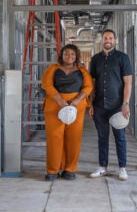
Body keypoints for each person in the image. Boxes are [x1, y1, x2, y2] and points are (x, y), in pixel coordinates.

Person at [41, 44, 93, 181]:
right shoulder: (53, 68)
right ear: (61, 55)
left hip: (76, 107)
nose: (69, 56)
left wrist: (76, 101)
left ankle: (70, 169)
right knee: (54, 138)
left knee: (74, 138)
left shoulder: (82, 71)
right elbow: (47, 84)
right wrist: (59, 100)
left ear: (76, 56)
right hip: (54, 106)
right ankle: (53, 170)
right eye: (66, 53)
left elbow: (88, 87)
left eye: (72, 54)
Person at [88, 29, 133, 181]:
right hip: (99, 105)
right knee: (102, 137)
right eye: (105, 38)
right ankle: (102, 167)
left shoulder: (123, 58)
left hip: (117, 106)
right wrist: (91, 104)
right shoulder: (95, 60)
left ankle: (122, 168)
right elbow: (92, 84)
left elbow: (128, 83)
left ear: (115, 40)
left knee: (120, 137)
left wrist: (125, 103)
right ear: (102, 40)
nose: (108, 40)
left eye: (111, 38)